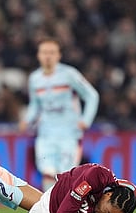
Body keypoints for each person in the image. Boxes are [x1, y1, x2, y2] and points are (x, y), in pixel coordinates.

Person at [18, 37, 99, 191]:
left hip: (69, 133)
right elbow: (35, 104)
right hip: (46, 133)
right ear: (38, 55)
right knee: (48, 173)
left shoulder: (69, 74)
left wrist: (86, 120)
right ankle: (49, 211)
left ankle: (65, 211)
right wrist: (27, 120)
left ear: (58, 56)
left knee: (65, 175)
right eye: (44, 52)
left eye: (52, 52)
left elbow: (91, 95)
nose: (48, 56)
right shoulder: (35, 79)